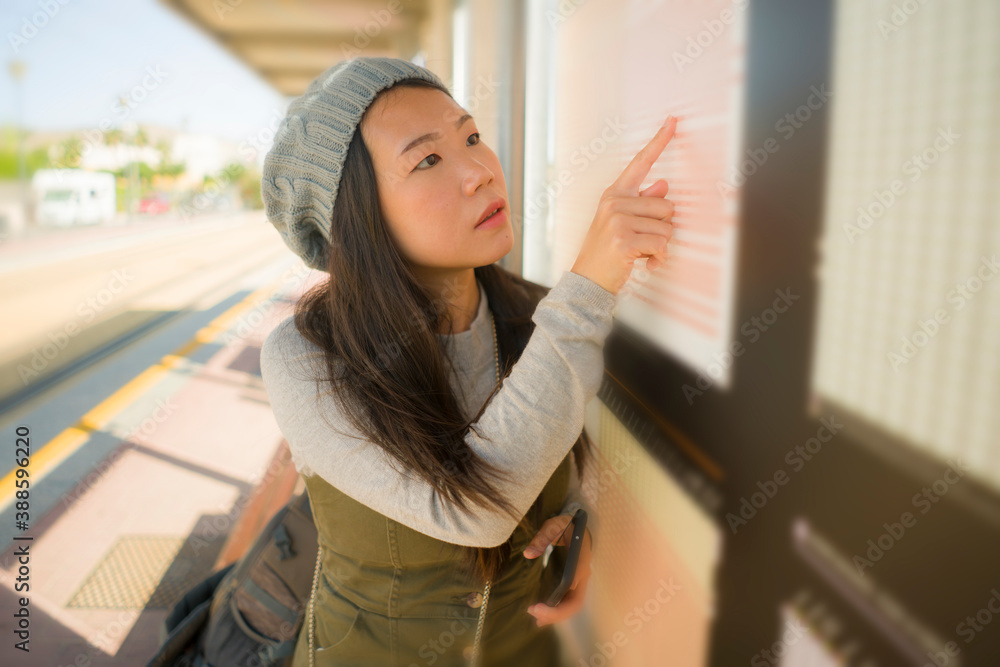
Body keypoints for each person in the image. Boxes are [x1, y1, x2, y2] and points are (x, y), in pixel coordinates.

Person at [258, 56, 676, 667]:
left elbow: (570, 466)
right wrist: (591, 285)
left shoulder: (536, 313)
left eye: (472, 137)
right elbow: (472, 514)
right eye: (427, 159)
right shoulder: (308, 357)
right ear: (356, 219)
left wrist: (574, 526)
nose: (480, 171)